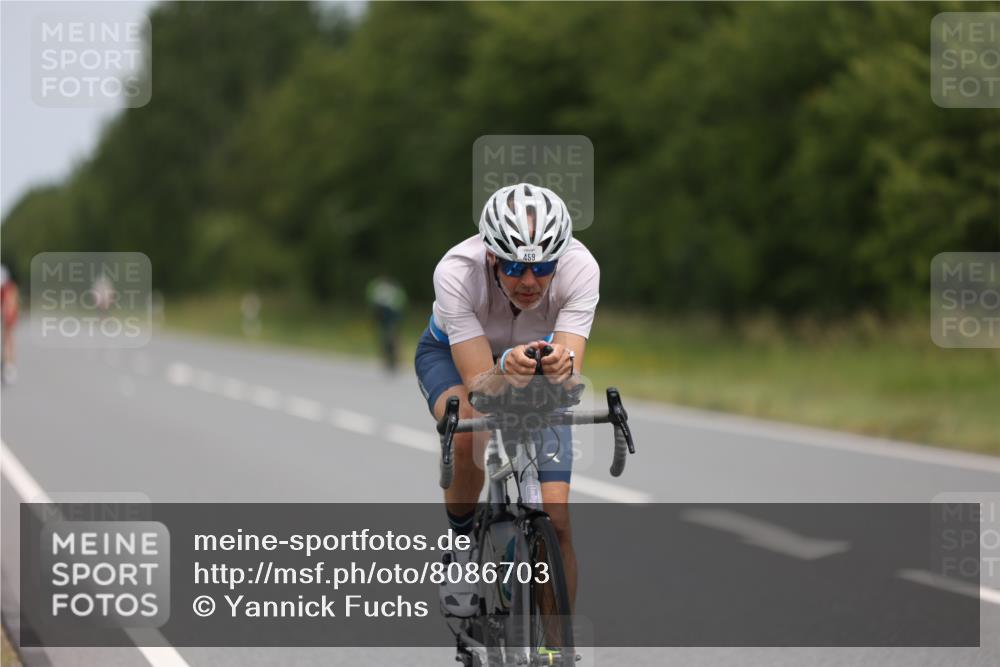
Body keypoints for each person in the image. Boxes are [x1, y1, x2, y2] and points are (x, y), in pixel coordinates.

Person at [414, 183, 599, 620]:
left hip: (532, 358)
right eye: (515, 267)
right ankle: (461, 550)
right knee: (469, 429)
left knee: (557, 519)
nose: (531, 282)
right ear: (492, 256)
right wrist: (501, 371)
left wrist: (557, 367)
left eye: (543, 267)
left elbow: (569, 370)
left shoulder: (580, 268)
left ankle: (556, 650)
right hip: (453, 356)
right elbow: (480, 384)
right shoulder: (456, 271)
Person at [366, 275, 407, 372]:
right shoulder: (383, 290)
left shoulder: (385, 290)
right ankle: (388, 359)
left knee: (392, 337)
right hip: (384, 317)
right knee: (385, 337)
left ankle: (396, 359)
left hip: (392, 317)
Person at [1, 264, 20, 385]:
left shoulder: (9, 289)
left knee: (8, 335)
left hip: (7, 311)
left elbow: (10, 305)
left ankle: (9, 365)